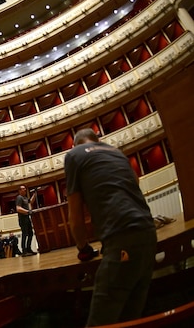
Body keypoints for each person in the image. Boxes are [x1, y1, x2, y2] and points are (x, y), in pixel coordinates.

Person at [65, 128, 157, 326]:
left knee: (101, 322)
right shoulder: (116, 152)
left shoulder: (73, 156)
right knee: (130, 319)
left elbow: (75, 214)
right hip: (148, 233)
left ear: (75, 144)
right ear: (97, 140)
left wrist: (83, 248)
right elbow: (135, 181)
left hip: (121, 237)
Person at [15, 185, 37, 256]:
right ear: (20, 190)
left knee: (30, 233)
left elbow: (31, 201)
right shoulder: (19, 198)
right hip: (22, 219)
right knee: (25, 234)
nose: (25, 190)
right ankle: (24, 251)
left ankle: (28, 249)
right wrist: (27, 212)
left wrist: (35, 193)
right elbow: (18, 208)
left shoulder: (24, 198)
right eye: (23, 189)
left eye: (25, 188)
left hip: (27, 218)